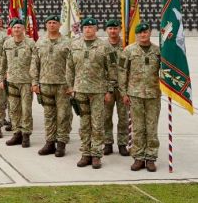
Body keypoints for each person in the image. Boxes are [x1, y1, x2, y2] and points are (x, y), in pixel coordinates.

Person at [66, 16, 117, 169]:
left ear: (96, 29)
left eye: (91, 27)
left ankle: (96, 155)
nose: (88, 29)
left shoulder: (105, 46)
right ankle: (85, 153)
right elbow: (69, 68)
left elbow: (112, 70)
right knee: (84, 124)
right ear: (82, 29)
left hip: (98, 91)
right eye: (86, 27)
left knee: (97, 124)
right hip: (80, 90)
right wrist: (70, 87)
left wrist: (109, 90)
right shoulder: (74, 45)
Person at [121, 23, 161, 172]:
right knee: (138, 127)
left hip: (153, 94)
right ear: (136, 35)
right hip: (135, 95)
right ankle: (138, 157)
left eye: (145, 32)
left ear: (150, 33)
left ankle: (150, 158)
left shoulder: (158, 51)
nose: (143, 35)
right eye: (140, 33)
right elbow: (122, 72)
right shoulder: (128, 51)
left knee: (151, 127)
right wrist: (124, 93)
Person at [30, 14, 72, 157]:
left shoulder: (68, 42)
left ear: (59, 25)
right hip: (45, 84)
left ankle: (61, 143)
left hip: (63, 85)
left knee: (63, 115)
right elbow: (34, 63)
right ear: (46, 25)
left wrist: (71, 84)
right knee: (49, 115)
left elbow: (72, 65)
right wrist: (35, 82)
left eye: (55, 22)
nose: (52, 25)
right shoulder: (40, 42)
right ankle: (49, 142)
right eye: (49, 23)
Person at [2, 18, 36, 147]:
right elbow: (3, 61)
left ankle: (26, 134)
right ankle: (17, 133)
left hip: (26, 82)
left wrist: (34, 81)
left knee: (26, 109)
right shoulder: (7, 43)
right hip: (11, 81)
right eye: (14, 27)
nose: (16, 29)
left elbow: (35, 63)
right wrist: (1, 78)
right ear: (11, 29)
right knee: (14, 109)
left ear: (24, 29)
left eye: (19, 27)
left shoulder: (30, 43)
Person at [102, 18, 129, 156]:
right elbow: (99, 69)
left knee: (123, 117)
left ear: (119, 29)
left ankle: (122, 144)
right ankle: (107, 143)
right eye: (110, 28)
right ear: (106, 30)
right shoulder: (101, 46)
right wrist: (105, 89)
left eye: (115, 28)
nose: (113, 31)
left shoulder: (126, 45)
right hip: (108, 88)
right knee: (106, 117)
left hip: (124, 87)